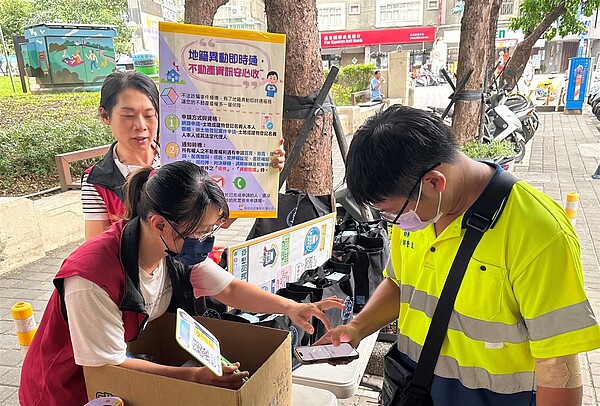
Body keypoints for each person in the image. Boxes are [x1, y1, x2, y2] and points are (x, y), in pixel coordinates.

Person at [317, 105, 600, 405]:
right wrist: (357, 328)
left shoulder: (539, 233)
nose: (394, 222)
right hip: (416, 389)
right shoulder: (417, 212)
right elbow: (399, 285)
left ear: (435, 182)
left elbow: (558, 369)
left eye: (392, 212)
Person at [19, 161, 344, 405]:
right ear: (158, 223)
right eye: (200, 231)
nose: (206, 240)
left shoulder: (173, 251)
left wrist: (293, 307)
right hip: (67, 389)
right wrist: (194, 377)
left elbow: (229, 289)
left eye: (210, 230)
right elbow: (109, 365)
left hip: (117, 378)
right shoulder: (91, 278)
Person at [82, 70, 286, 240]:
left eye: (149, 115)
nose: (141, 126)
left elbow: (221, 221)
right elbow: (99, 249)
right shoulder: (97, 181)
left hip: (190, 274)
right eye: (127, 116)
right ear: (105, 116)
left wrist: (265, 170)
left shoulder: (183, 160)